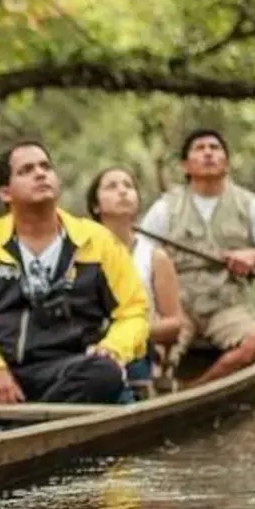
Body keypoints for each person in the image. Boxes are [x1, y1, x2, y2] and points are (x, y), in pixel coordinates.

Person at [0, 140, 149, 408]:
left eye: (45, 167)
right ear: (6, 193)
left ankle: (5, 429)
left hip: (70, 369)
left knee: (104, 373)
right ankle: (10, 423)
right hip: (1, 372)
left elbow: (134, 312)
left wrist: (113, 348)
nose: (40, 173)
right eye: (26, 170)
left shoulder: (97, 241)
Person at [138, 129, 255, 386]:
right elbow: (140, 258)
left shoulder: (250, 204)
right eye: (199, 148)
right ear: (186, 165)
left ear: (226, 163)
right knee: (143, 339)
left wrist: (253, 256)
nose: (208, 153)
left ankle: (198, 389)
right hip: (178, 305)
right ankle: (158, 379)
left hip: (228, 306)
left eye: (214, 148)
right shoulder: (165, 207)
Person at [85, 167, 184, 396]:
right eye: (112, 186)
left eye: (128, 186)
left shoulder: (154, 257)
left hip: (136, 350)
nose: (122, 191)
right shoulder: (80, 252)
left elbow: (174, 324)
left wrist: (127, 333)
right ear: (96, 206)